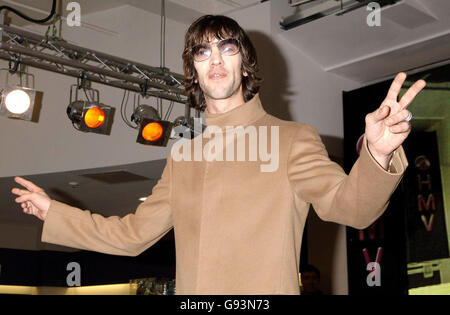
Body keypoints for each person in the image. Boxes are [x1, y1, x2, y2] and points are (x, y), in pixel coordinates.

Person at [11, 15, 426, 295]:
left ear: (245, 64)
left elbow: (351, 208)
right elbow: (133, 234)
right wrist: (55, 212)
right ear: (193, 70)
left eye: (227, 48)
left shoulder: (292, 139)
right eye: (202, 52)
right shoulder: (184, 156)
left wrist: (376, 153)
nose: (215, 60)